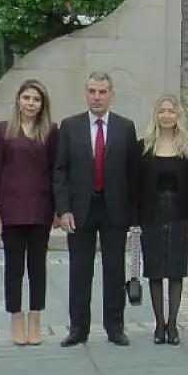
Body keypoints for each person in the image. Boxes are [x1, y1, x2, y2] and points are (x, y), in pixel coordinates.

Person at [53, 71, 141, 347]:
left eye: (102, 92)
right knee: (80, 271)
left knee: (114, 270)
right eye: (92, 91)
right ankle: (78, 329)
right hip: (80, 210)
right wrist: (63, 209)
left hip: (114, 209)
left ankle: (115, 327)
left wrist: (134, 217)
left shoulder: (126, 127)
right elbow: (60, 171)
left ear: (111, 93)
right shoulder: (69, 127)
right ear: (85, 93)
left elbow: (132, 174)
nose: (97, 97)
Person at [0, 79, 57, 346]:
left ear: (43, 105)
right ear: (18, 100)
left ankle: (35, 317)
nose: (31, 104)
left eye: (36, 99)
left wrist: (58, 210)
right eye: (27, 98)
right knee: (14, 267)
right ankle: (16, 318)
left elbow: (55, 171)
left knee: (37, 267)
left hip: (40, 207)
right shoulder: (4, 130)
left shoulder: (50, 131)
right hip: (11, 207)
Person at [133, 95, 188, 345]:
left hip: (180, 214)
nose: (167, 115)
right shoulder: (143, 148)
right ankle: (158, 324)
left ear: (178, 116)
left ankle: (173, 324)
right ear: (156, 115)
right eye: (162, 111)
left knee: (175, 270)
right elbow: (136, 187)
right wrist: (135, 221)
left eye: (172, 111)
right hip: (152, 214)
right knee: (155, 270)